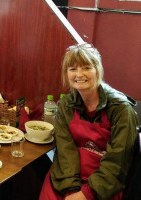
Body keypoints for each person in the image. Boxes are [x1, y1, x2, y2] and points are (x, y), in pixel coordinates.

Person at [39, 43, 139, 200]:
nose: (79, 74)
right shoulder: (66, 105)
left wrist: (86, 194)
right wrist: (71, 190)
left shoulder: (121, 109)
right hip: (67, 175)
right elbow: (66, 153)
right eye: (73, 69)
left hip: (104, 183)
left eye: (86, 67)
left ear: (97, 70)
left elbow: (118, 162)